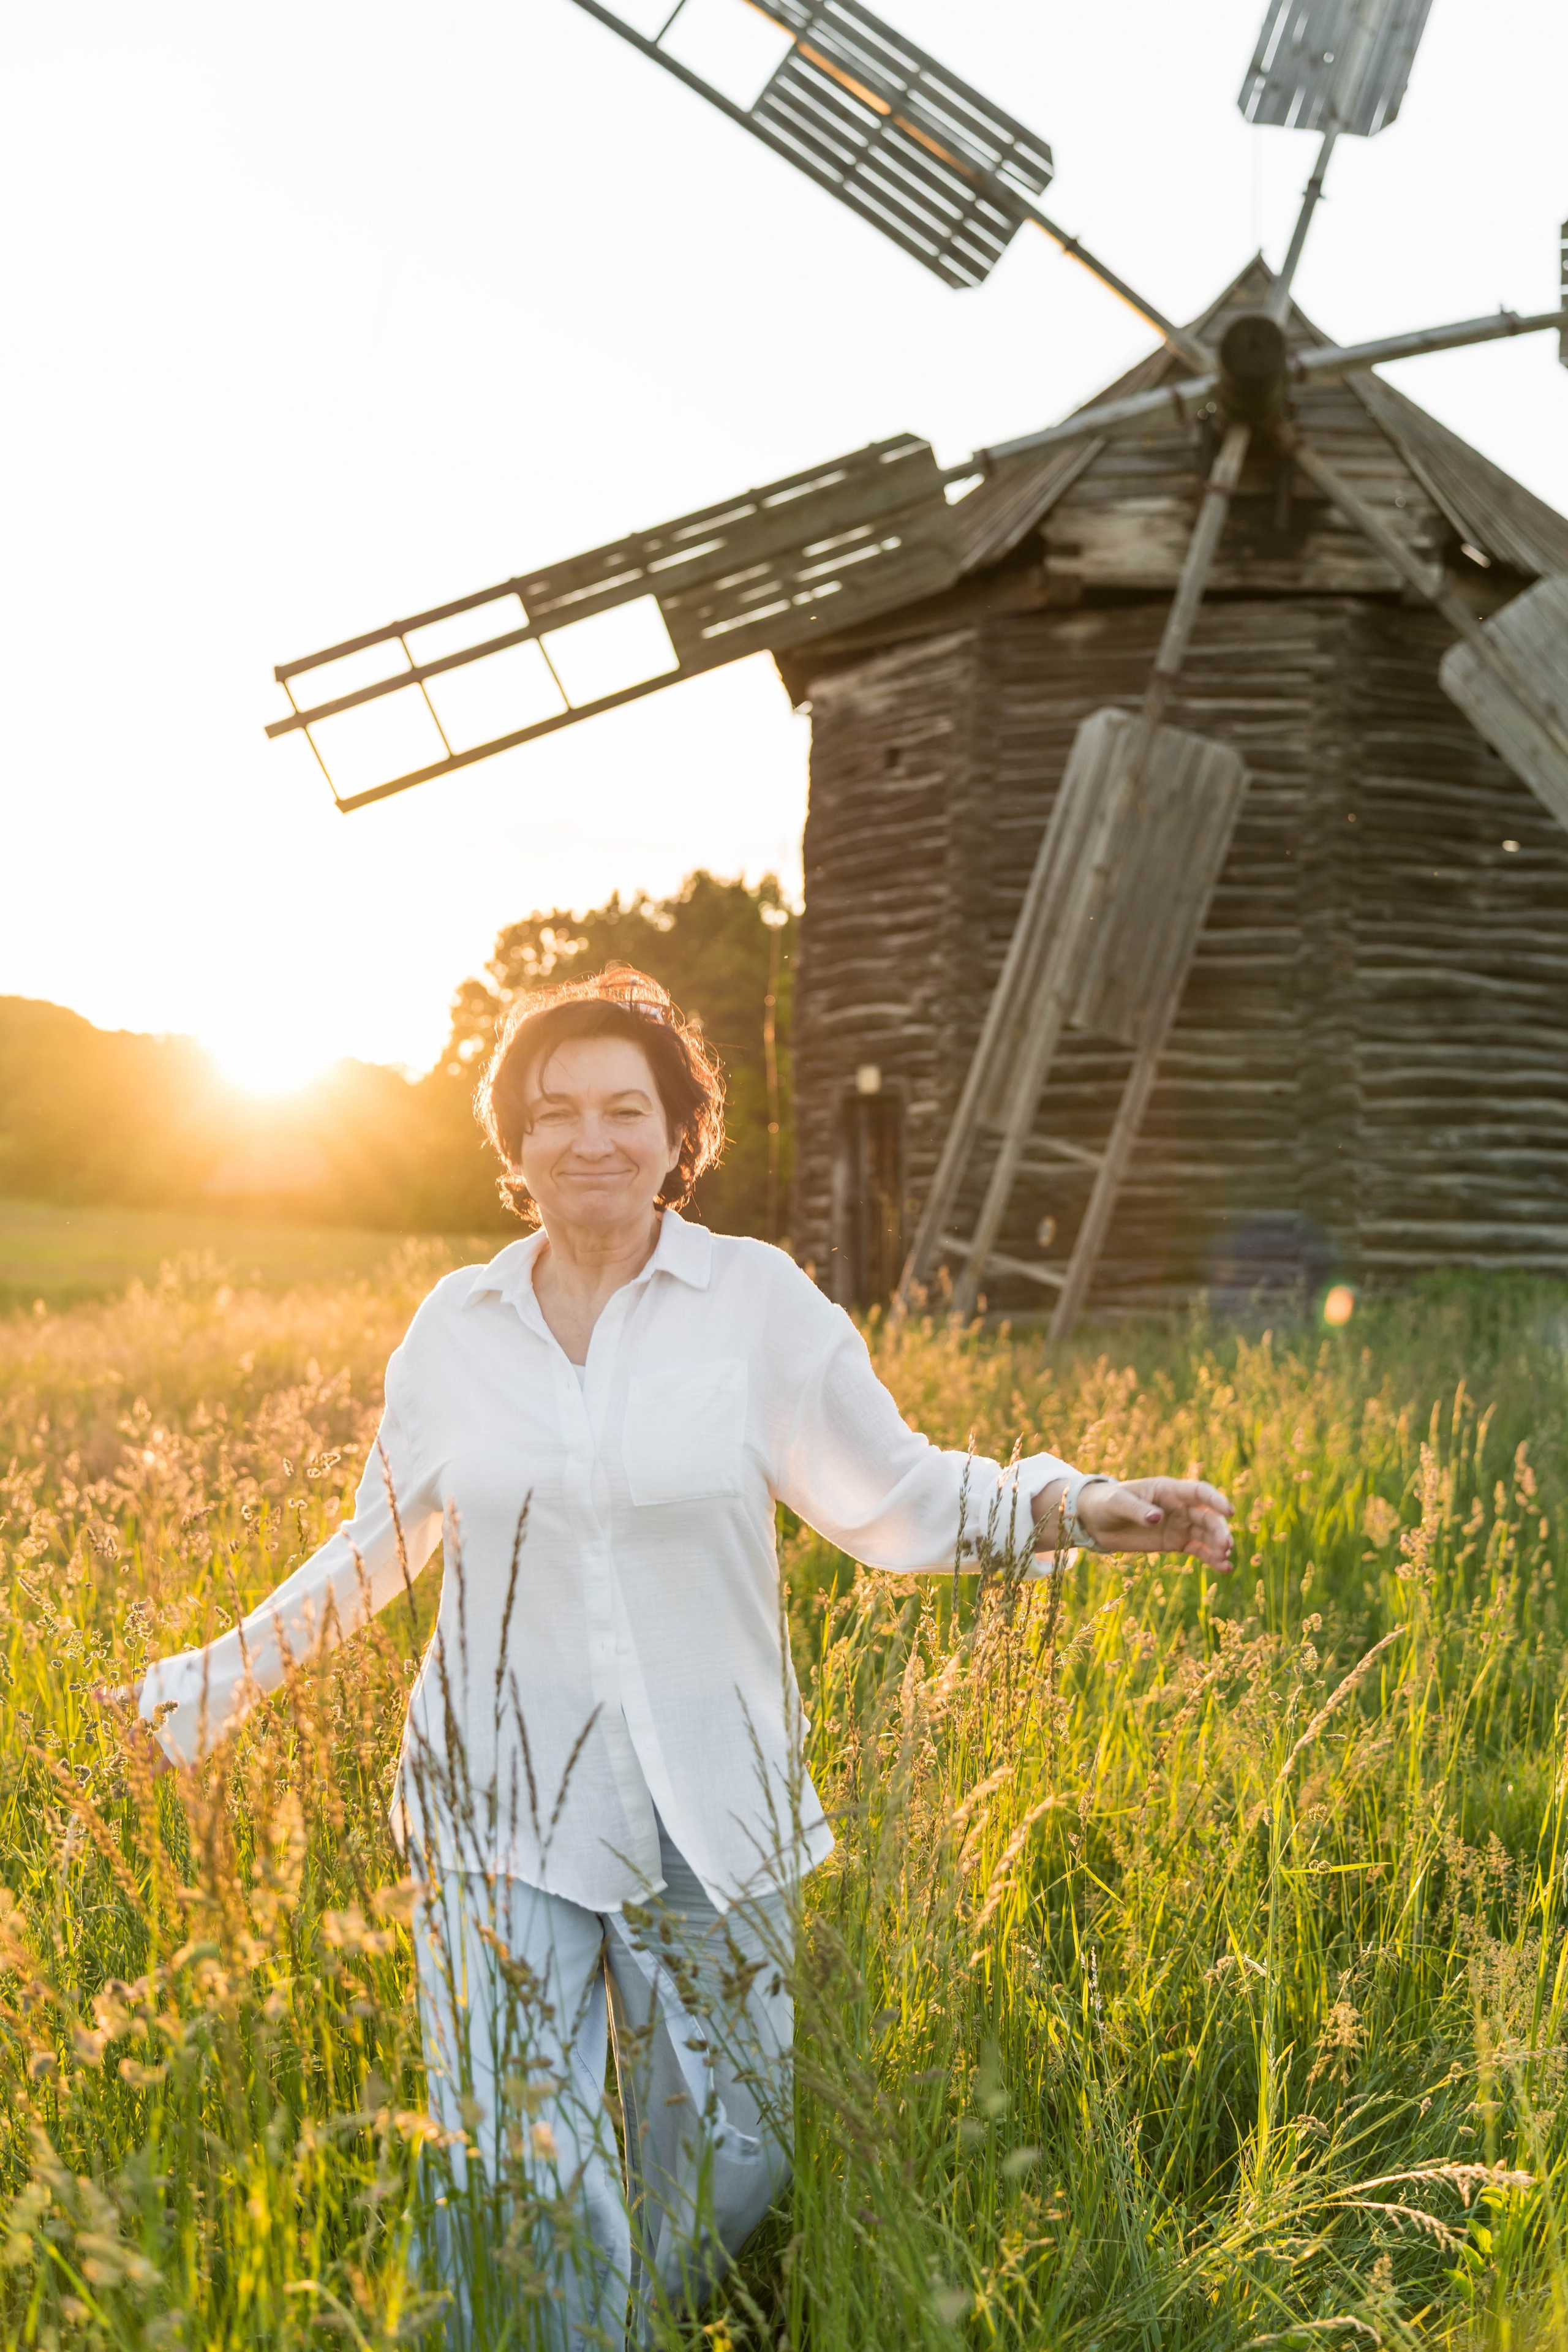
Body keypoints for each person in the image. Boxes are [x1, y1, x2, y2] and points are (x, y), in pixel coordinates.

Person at [119, 963, 1233, 2348]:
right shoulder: (454, 1329)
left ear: (676, 1135)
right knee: (516, 2151)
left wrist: (1072, 1506)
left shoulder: (752, 1304)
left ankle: (600, 2326)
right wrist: (197, 1688)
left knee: (736, 2148)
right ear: (514, 1144)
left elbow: (888, 1489)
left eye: (624, 1109)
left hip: (712, 1796)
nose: (590, 1138)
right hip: (494, 1802)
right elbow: (371, 1551)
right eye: (555, 1112)